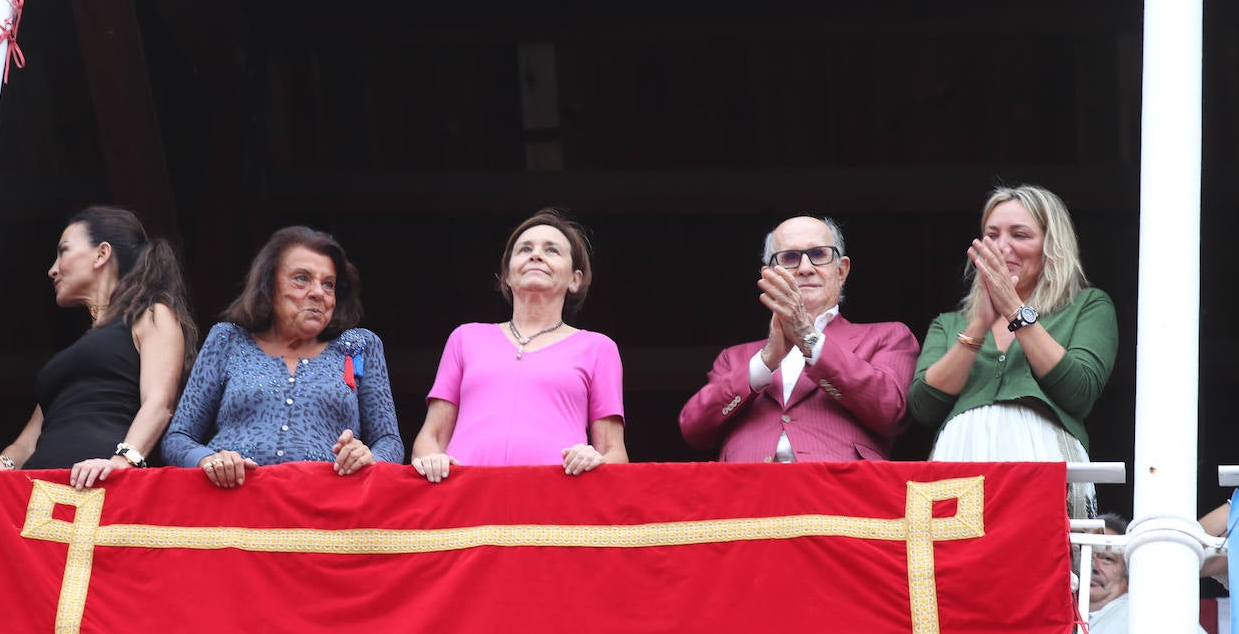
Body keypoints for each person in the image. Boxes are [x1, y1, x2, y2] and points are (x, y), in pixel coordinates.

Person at [908, 185, 1118, 517]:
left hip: (1043, 465)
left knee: (1044, 566)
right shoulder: (950, 324)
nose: (1003, 246)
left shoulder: (1087, 306)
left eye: (1019, 235)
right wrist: (977, 325)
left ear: (1051, 246)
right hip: (958, 465)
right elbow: (923, 406)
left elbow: (1079, 391)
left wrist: (1014, 310)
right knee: (955, 568)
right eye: (992, 235)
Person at [163, 226, 402, 488]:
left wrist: (368, 458)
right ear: (269, 285)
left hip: (327, 510)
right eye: (301, 278)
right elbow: (178, 438)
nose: (318, 293)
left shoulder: (359, 346)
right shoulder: (228, 340)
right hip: (232, 507)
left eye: (328, 284)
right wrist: (209, 459)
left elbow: (389, 442)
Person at [0, 206, 198, 489]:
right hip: (40, 491)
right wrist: (2, 463)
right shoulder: (72, 356)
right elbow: (27, 441)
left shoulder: (152, 314)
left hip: (100, 484)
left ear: (101, 254)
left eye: (64, 251)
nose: (52, 269)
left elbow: (159, 403)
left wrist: (123, 461)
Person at [678, 215, 918, 462]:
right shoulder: (734, 358)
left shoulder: (887, 336)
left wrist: (808, 337)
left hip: (839, 491)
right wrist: (766, 361)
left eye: (819, 254)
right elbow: (694, 429)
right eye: (790, 258)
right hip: (748, 492)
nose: (805, 268)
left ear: (842, 270)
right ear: (769, 275)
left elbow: (890, 412)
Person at [411, 208, 627, 482]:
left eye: (552, 251)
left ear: (575, 280)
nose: (536, 255)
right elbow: (431, 437)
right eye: (525, 249)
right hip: (464, 501)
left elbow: (614, 452)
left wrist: (595, 460)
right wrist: (432, 461)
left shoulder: (598, 348)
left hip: (557, 503)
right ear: (507, 278)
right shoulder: (465, 338)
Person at [1070, 513, 1226, 634]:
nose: (1094, 566)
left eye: (1107, 559)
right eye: (1088, 555)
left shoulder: (1144, 607)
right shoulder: (1056, 613)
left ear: (1128, 574)